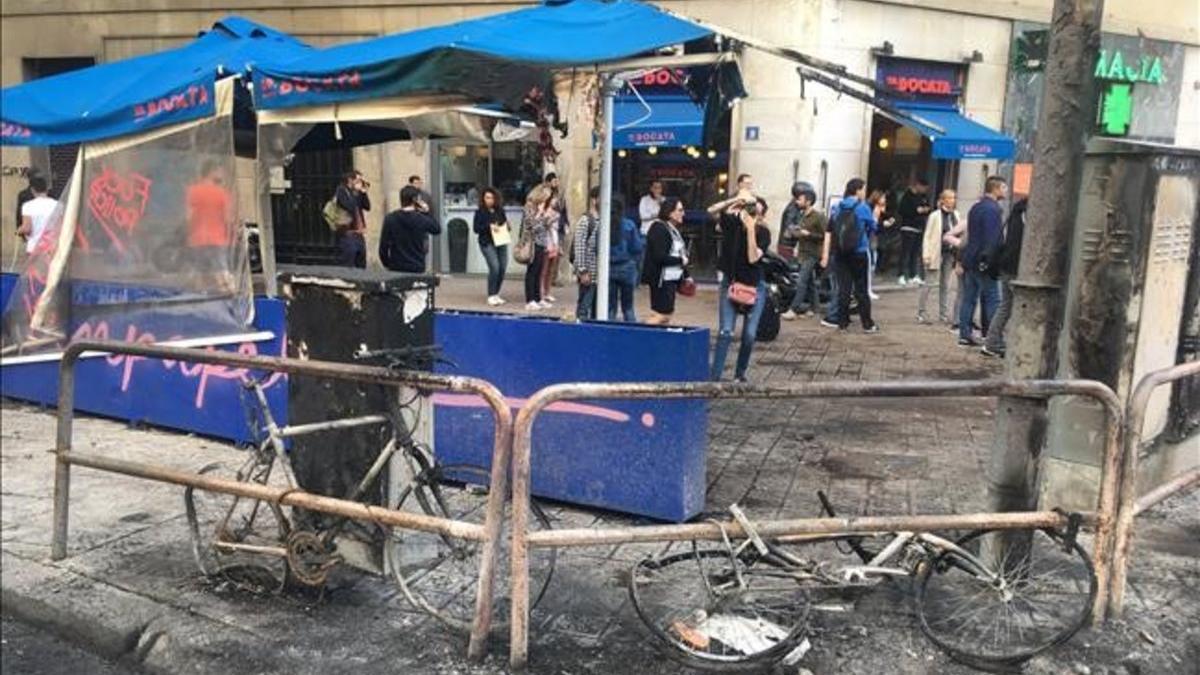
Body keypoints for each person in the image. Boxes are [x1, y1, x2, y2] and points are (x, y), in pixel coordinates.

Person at [711, 196, 772, 382]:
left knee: (749, 334)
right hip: (731, 282)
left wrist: (752, 229)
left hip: (755, 286)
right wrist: (734, 201)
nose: (754, 217)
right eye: (752, 212)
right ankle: (714, 378)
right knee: (726, 331)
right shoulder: (732, 226)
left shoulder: (763, 233)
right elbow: (711, 211)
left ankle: (740, 374)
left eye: (758, 214)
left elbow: (753, 258)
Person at [958, 176, 1008, 347]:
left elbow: (972, 235)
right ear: (995, 189)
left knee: (969, 298)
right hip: (984, 261)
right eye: (1003, 187)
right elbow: (992, 238)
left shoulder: (976, 207)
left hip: (971, 258)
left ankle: (964, 334)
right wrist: (990, 260)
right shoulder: (993, 210)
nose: (1005, 191)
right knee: (993, 299)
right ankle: (994, 338)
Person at [824, 178, 879, 332]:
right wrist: (875, 218)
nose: (864, 192)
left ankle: (842, 322)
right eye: (863, 189)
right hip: (859, 251)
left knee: (844, 288)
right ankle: (867, 324)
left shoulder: (837, 206)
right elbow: (873, 227)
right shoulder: (863, 207)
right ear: (858, 190)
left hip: (840, 252)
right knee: (861, 289)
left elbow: (831, 227)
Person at [983, 197, 1027, 358]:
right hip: (1016, 268)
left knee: (1006, 306)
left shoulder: (1016, 213)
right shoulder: (1028, 214)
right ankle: (1011, 343)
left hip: (1006, 265)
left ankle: (991, 342)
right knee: (1018, 308)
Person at [779, 182, 828, 320]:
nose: (797, 201)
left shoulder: (818, 216)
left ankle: (793, 309)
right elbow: (800, 233)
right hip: (803, 252)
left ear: (808, 201)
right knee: (810, 282)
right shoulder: (801, 216)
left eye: (800, 199)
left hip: (813, 253)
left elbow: (826, 235)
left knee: (802, 281)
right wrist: (796, 236)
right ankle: (815, 308)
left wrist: (809, 235)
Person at [642, 197, 689, 325]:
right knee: (661, 315)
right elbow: (659, 256)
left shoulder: (671, 229)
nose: (683, 213)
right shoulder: (659, 228)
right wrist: (681, 261)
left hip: (671, 278)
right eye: (680, 210)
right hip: (661, 279)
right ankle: (640, 336)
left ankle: (656, 341)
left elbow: (678, 252)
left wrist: (686, 275)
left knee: (666, 315)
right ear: (669, 212)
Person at [917, 190, 961, 324]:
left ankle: (943, 314)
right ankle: (921, 312)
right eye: (949, 198)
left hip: (950, 253)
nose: (952, 200)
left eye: (953, 198)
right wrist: (926, 254)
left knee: (946, 284)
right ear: (943, 200)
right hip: (937, 252)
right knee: (929, 283)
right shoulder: (935, 215)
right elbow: (928, 236)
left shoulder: (956, 214)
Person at [379, 185, 442, 274]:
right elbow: (437, 229)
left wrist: (387, 264)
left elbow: (383, 246)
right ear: (415, 200)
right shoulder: (421, 219)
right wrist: (427, 213)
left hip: (397, 266)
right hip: (416, 265)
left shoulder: (390, 218)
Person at [608, 195, 643, 322]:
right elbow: (637, 247)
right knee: (628, 307)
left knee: (610, 307)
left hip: (609, 268)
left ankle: (609, 332)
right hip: (627, 268)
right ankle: (631, 332)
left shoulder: (604, 225)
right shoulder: (629, 225)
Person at [522, 184, 557, 311]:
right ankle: (530, 299)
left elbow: (545, 225)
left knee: (539, 271)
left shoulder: (540, 208)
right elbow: (532, 227)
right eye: (545, 196)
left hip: (542, 242)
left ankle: (538, 298)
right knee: (532, 271)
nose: (546, 200)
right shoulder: (529, 207)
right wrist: (542, 215)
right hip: (533, 242)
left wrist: (549, 218)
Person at [473, 187, 509, 306]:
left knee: (503, 267)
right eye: (487, 198)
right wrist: (489, 227)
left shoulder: (500, 210)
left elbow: (504, 222)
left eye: (492, 198)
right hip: (487, 242)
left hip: (501, 240)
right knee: (495, 267)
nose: (490, 200)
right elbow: (476, 229)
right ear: (483, 199)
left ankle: (496, 293)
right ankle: (491, 294)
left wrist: (506, 226)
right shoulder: (480, 212)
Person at [573, 186, 602, 320]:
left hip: (599, 274)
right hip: (589, 273)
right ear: (594, 200)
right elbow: (579, 247)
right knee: (584, 307)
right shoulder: (585, 221)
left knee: (598, 309)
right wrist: (583, 270)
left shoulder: (604, 220)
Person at [897, 178, 933, 286]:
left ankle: (913, 275)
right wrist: (917, 210)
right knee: (905, 252)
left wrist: (924, 210)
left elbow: (928, 208)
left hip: (919, 227)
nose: (924, 190)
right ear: (917, 185)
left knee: (915, 253)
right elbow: (902, 210)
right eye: (923, 187)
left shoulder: (923, 197)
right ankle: (901, 274)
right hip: (908, 227)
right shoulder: (907, 196)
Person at [334, 170, 371, 268]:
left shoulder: (356, 193)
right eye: (358, 180)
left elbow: (367, 207)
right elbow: (349, 207)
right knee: (348, 263)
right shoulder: (341, 191)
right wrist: (356, 193)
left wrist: (363, 193)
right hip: (347, 233)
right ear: (350, 180)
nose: (360, 183)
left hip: (359, 233)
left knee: (361, 262)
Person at [541, 173, 566, 303]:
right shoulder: (544, 198)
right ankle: (541, 292)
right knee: (544, 266)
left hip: (555, 235)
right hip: (547, 236)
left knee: (552, 266)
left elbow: (563, 212)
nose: (556, 183)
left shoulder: (559, 197)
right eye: (554, 181)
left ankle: (547, 291)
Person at [17, 173, 57, 254]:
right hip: (52, 249)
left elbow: (27, 228)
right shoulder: (57, 204)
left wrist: (19, 230)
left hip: (34, 248)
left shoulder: (28, 206)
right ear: (46, 189)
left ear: (32, 190)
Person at [866, 190, 893, 301]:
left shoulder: (880, 210)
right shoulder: (872, 209)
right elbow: (873, 225)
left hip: (874, 239)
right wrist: (882, 223)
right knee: (869, 264)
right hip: (870, 239)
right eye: (883, 198)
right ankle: (867, 289)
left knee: (872, 263)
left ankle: (869, 289)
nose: (884, 200)